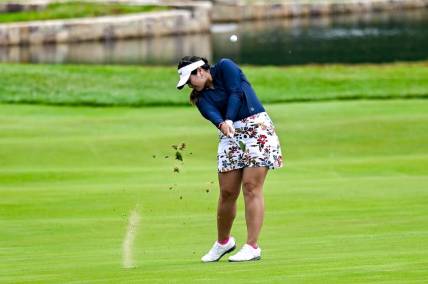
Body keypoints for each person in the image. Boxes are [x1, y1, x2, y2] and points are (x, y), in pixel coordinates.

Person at [176, 56, 283, 262]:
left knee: (251, 187)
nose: (190, 85)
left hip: (257, 129)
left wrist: (228, 119)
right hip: (229, 134)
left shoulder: (226, 67)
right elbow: (211, 113)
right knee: (227, 192)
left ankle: (252, 247)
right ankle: (223, 243)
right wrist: (222, 124)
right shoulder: (200, 98)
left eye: (190, 80)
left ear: (200, 71)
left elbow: (235, 92)